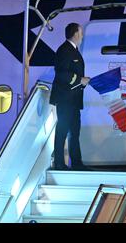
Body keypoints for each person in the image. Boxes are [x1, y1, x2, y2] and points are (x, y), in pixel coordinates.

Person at [50, 23, 91, 171]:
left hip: (73, 99)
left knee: (74, 131)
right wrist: (79, 79)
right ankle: (59, 163)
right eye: (81, 32)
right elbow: (61, 73)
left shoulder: (73, 51)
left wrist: (82, 82)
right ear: (75, 34)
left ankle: (77, 162)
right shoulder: (64, 50)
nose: (82, 36)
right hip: (65, 99)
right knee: (62, 130)